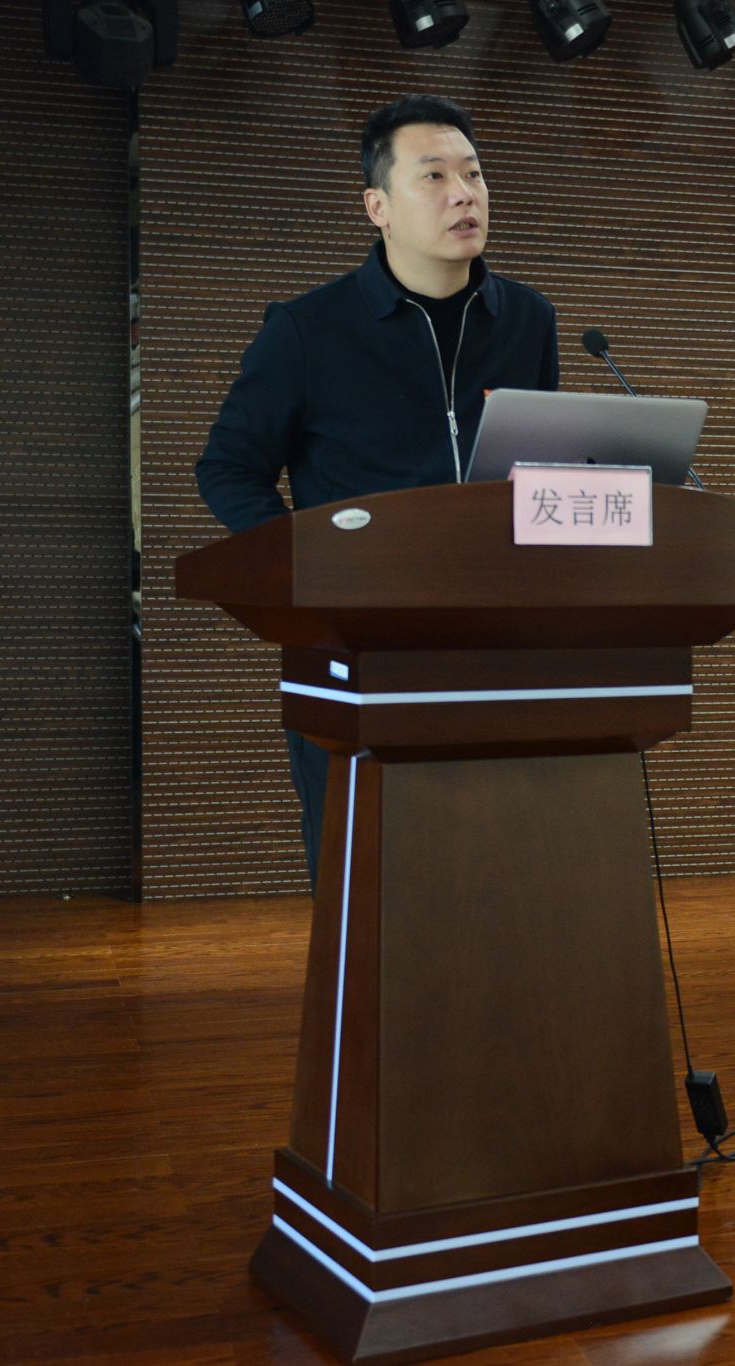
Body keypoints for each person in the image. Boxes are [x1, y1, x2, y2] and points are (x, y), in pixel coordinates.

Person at [196, 94, 560, 886]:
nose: (464, 194)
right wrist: (309, 575)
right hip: (355, 648)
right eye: (434, 176)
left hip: (500, 645)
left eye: (474, 174)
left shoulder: (528, 321)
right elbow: (226, 467)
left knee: (500, 878)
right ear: (378, 206)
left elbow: (542, 478)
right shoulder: (307, 330)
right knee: (368, 881)